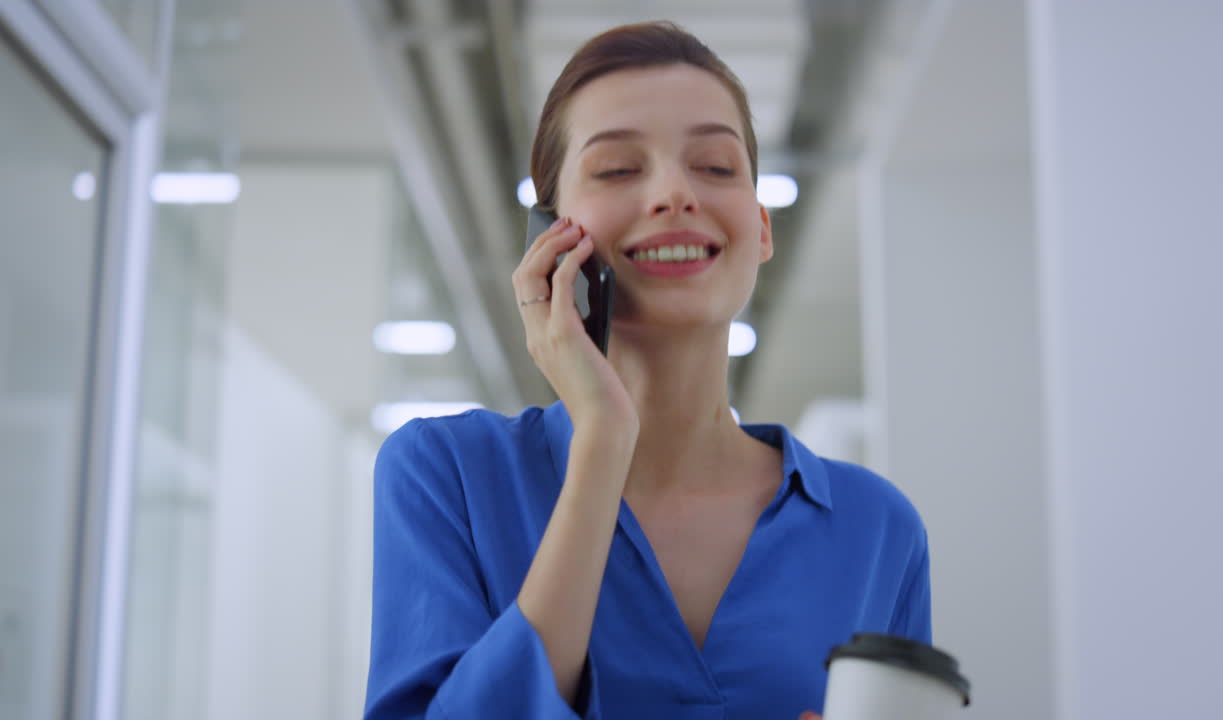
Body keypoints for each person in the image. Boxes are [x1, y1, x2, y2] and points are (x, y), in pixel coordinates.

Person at [363, 21, 930, 720]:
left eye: (716, 167)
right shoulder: (446, 475)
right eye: (618, 169)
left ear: (760, 228)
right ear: (549, 236)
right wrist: (601, 441)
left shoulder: (877, 529)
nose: (673, 194)